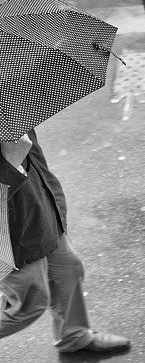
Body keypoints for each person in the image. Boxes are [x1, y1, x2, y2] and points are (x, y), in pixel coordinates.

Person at [0, 130, 130, 354]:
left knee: (68, 269)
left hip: (37, 209)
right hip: (7, 230)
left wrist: (53, 202)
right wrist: (10, 163)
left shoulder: (10, 108)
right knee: (29, 303)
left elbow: (34, 159)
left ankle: (74, 337)